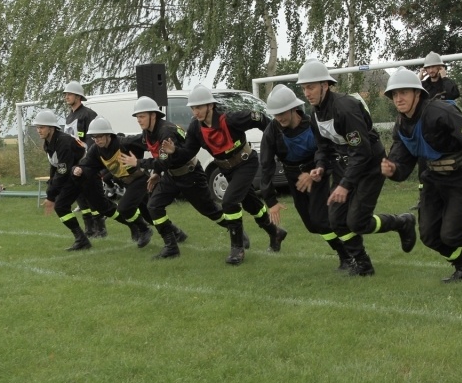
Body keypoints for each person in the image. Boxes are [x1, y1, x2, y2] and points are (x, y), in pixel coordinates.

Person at [380, 67, 462, 282]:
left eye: (404, 93)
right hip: (433, 179)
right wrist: (394, 169)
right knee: (429, 235)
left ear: (417, 93)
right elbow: (403, 157)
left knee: (452, 234)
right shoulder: (401, 125)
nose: (398, 98)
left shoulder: (441, 113)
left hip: (461, 177)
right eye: (394, 94)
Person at [297, 59, 415, 276]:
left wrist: (345, 185)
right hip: (346, 166)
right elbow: (323, 147)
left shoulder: (345, 108)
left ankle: (401, 222)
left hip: (370, 166)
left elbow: (362, 151)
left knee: (357, 221)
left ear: (325, 85)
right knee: (335, 219)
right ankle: (363, 264)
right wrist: (321, 166)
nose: (307, 93)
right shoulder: (314, 113)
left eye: (311, 87)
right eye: (304, 88)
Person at [163, 85, 284, 265]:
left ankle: (237, 248)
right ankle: (276, 233)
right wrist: (174, 152)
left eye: (199, 107)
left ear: (210, 106)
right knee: (251, 204)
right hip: (226, 169)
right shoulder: (196, 129)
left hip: (246, 163)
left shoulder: (231, 119)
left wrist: (274, 142)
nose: (196, 112)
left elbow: (261, 120)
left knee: (229, 202)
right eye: (193, 108)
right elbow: (188, 152)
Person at [121, 96, 232, 260]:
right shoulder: (148, 133)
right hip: (172, 176)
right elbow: (163, 162)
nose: (139, 120)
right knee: (154, 206)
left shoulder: (166, 132)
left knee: (211, 211)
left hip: (190, 175)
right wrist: (157, 174)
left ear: (154, 115)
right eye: (137, 117)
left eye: (142, 116)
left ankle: (236, 231)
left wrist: (137, 162)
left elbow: (165, 161)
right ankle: (171, 246)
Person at [259, 85, 354, 271]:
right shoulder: (271, 132)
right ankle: (347, 242)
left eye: (283, 112)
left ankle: (348, 256)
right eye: (275, 114)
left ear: (294, 108)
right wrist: (271, 200)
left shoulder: (313, 122)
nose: (279, 118)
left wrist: (318, 169)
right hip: (295, 178)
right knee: (312, 225)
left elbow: (325, 149)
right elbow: (266, 166)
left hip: (317, 173)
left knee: (320, 219)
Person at [73, 117, 154, 248]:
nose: (97, 140)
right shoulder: (96, 150)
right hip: (128, 183)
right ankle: (176, 233)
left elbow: (147, 141)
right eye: (94, 137)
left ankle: (144, 230)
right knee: (151, 214)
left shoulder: (124, 142)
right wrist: (77, 168)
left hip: (140, 180)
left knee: (124, 208)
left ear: (108, 134)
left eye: (99, 136)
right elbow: (86, 164)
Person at [35, 109, 94, 250]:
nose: (38, 130)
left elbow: (62, 171)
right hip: (74, 172)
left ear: (51, 128)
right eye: (37, 127)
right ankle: (82, 238)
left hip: (85, 172)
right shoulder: (48, 143)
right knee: (64, 206)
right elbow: (55, 166)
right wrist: (51, 185)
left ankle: (139, 226)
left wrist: (51, 196)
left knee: (103, 206)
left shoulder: (63, 142)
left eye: (41, 127)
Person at [63, 80, 106, 238]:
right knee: (80, 197)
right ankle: (89, 227)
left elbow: (94, 137)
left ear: (78, 96)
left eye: (69, 94)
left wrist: (86, 155)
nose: (66, 96)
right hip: (74, 162)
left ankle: (100, 228)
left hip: (88, 162)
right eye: (66, 94)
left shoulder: (89, 114)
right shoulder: (69, 117)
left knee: (92, 195)